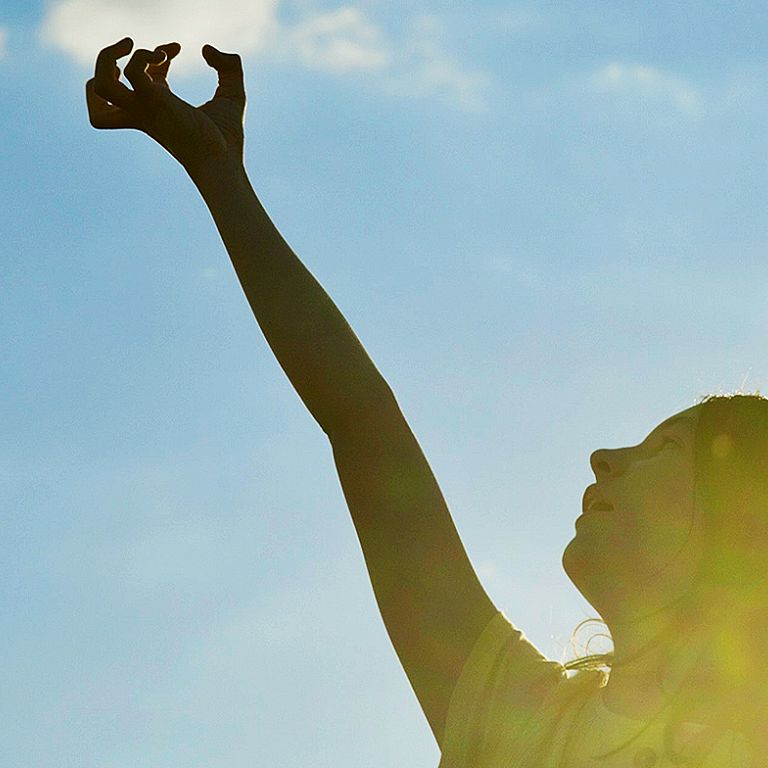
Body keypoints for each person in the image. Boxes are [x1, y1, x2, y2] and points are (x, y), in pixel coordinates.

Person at [86, 39, 767, 767]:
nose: (605, 457)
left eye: (666, 448)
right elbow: (362, 423)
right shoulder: (515, 721)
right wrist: (218, 173)